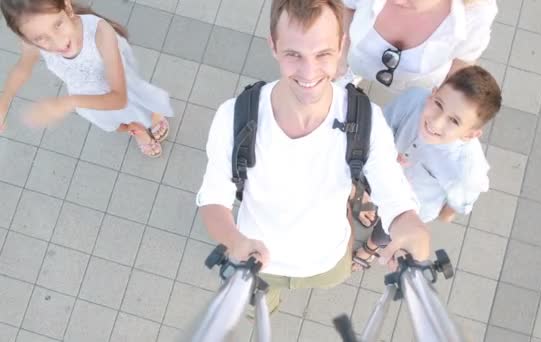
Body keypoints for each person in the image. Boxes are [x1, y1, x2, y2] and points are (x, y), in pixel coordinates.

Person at [196, 0, 430, 313]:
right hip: (256, 260)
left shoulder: (365, 119)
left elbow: (394, 194)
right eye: (294, 54)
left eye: (323, 54)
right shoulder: (234, 116)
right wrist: (235, 242)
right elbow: (213, 199)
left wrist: (411, 226)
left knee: (262, 301)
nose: (309, 72)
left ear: (341, 45)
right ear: (274, 47)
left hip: (328, 259)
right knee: (262, 303)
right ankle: (267, 306)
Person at [352, 65, 502, 271]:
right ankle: (365, 207)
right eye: (439, 104)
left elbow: (456, 206)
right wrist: (386, 155)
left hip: (415, 208)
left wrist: (444, 214)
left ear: (469, 134)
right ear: (433, 92)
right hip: (378, 173)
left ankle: (370, 249)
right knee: (365, 193)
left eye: (454, 120)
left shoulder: (467, 171)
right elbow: (381, 128)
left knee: (387, 232)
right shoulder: (414, 99)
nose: (436, 122)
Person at [0, 0, 173, 157]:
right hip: (84, 95)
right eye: (41, 38)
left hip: (119, 88)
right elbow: (23, 68)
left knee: (137, 104)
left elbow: (119, 98)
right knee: (113, 122)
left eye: (57, 25)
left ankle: (150, 116)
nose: (59, 43)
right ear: (26, 37)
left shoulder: (100, 32)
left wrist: (65, 103)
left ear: (67, 8)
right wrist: (3, 103)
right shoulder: (30, 42)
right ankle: (136, 129)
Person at [336, 0, 497, 93]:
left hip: (419, 88)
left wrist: (441, 106)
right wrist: (341, 58)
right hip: (356, 61)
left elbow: (462, 61)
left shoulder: (475, 14)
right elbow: (346, 7)